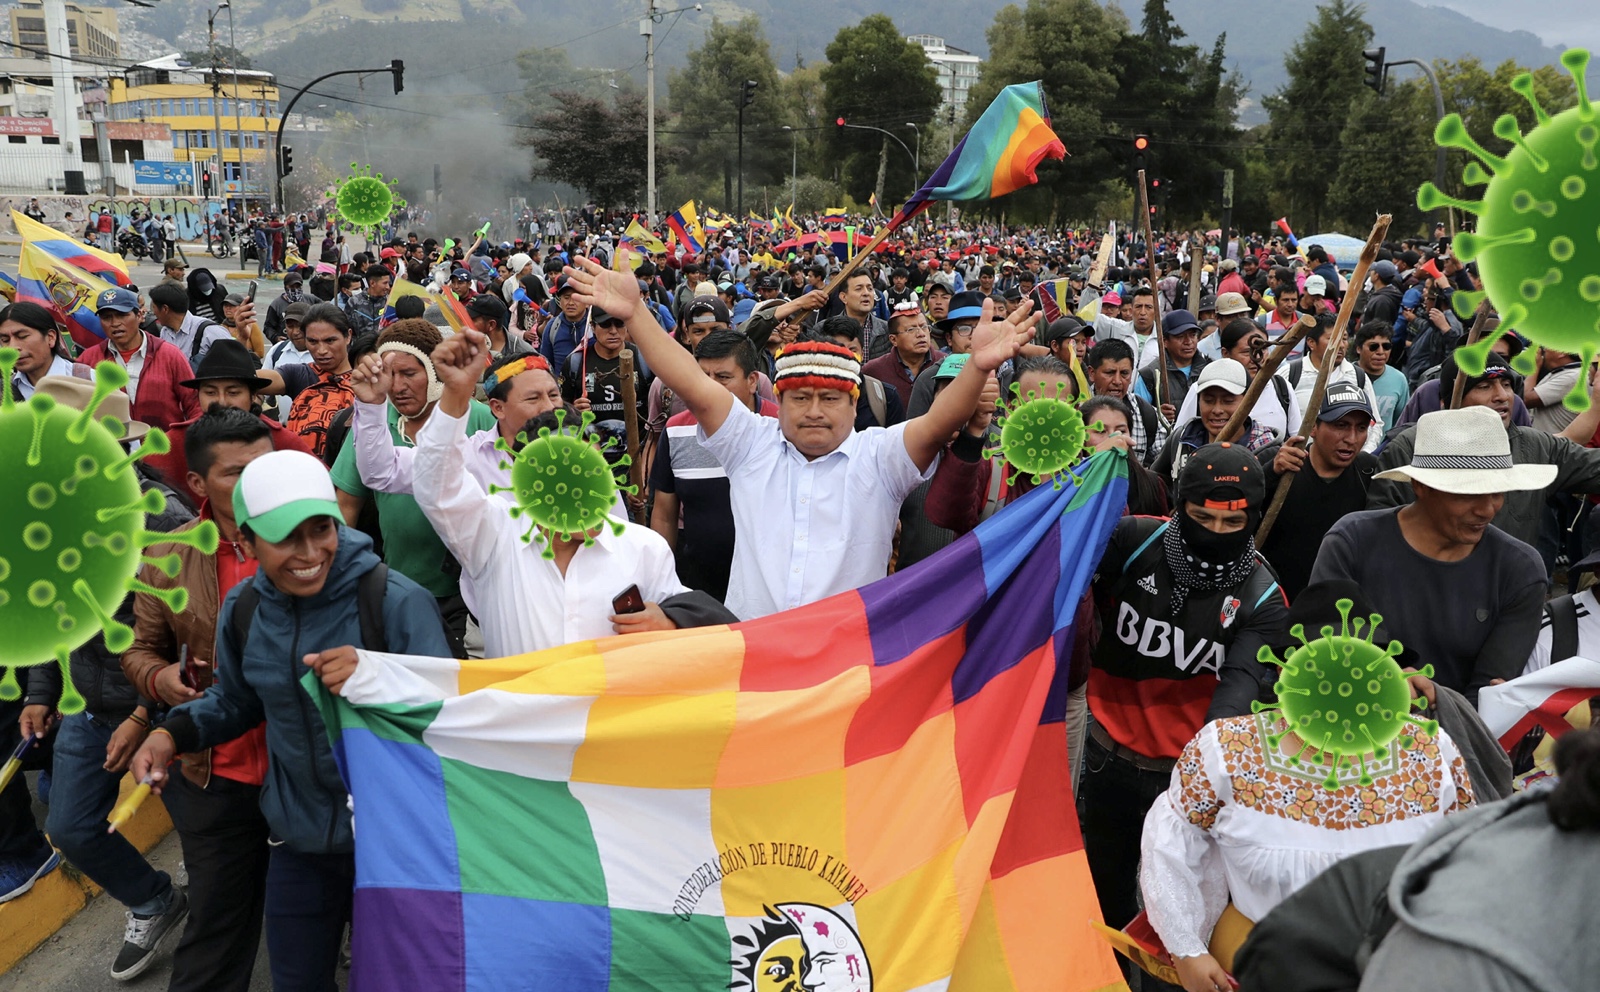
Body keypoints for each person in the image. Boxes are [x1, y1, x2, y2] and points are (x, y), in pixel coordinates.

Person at [129, 450, 452, 992]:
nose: (309, 553)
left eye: (320, 529)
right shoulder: (245, 608)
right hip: (298, 842)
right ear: (248, 542)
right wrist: (170, 733)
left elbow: (449, 721)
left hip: (394, 846)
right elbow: (238, 701)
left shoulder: (394, 601)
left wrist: (379, 677)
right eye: (286, 537)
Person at [564, 255, 1039, 620]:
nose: (814, 412)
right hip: (752, 657)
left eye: (830, 399)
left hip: (845, 666)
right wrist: (637, 315)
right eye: (801, 398)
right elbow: (693, 383)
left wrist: (978, 367)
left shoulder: (880, 456)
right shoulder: (751, 441)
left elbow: (937, 424)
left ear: (856, 405)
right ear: (776, 399)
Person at [1140, 582, 1475, 992]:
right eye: (1325, 670)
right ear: (1283, 671)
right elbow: (1171, 842)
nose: (1341, 688)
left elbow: (1464, 861)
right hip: (1257, 970)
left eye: (1358, 671)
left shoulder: (1430, 750)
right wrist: (1187, 950)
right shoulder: (1226, 750)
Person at [20, 375, 194, 981]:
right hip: (88, 705)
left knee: (206, 830)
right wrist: (43, 691)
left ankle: (221, 907)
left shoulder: (165, 521)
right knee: (69, 826)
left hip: (168, 709)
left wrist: (149, 717)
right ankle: (154, 899)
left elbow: (189, 640)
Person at [409, 328, 723, 658]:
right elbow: (435, 484)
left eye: (591, 472)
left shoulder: (644, 550)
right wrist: (455, 396)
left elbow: (704, 636)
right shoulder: (493, 538)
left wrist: (671, 622)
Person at [1081, 442, 1288, 941]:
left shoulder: (1263, 596)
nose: (1215, 533)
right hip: (1106, 755)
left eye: (1232, 524)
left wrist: (1200, 784)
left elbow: (1237, 694)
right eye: (1202, 518)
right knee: (1099, 899)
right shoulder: (1134, 541)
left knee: (1174, 918)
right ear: (1179, 507)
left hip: (1183, 778)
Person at [123, 408, 275, 992]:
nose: (257, 483)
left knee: (314, 926)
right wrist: (160, 683)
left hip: (307, 773)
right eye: (237, 473)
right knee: (216, 928)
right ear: (196, 485)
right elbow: (139, 651)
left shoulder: (318, 543)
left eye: (265, 467)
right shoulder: (169, 558)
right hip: (214, 774)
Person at [1313, 407, 1549, 699]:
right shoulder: (1351, 543)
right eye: (1468, 494)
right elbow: (1325, 650)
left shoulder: (1520, 571)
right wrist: (1380, 676)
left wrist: (1439, 708)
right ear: (1420, 486)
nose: (1487, 510)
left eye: (1498, 492)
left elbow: (1488, 694)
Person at [334, 319, 495, 658]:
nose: (397, 386)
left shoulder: (479, 418)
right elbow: (346, 503)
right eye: (388, 375)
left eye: (409, 373)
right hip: (401, 587)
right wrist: (341, 577)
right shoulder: (372, 422)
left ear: (435, 373)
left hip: (473, 595)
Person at [1371, 351, 1600, 546]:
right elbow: (1380, 533)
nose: (1502, 396)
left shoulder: (1536, 446)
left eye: (1507, 384)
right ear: (1451, 400)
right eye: (1484, 386)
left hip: (1509, 594)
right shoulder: (1411, 448)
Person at [649, 330, 779, 599]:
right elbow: (664, 514)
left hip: (770, 590)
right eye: (701, 377)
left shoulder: (781, 428)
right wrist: (659, 578)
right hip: (699, 588)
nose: (709, 387)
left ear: (752, 380)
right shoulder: (675, 431)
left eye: (723, 377)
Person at [143, 339, 312, 502]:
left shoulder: (283, 441)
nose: (222, 402)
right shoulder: (173, 443)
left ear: (253, 395)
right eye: (210, 393)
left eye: (233, 393)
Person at [1254, 383, 1379, 600]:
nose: (1351, 438)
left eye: (1361, 428)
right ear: (1313, 426)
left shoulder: (1370, 472)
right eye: (1341, 425)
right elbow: (1240, 516)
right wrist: (1270, 474)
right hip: (1277, 605)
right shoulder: (1280, 465)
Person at [78, 287, 201, 431]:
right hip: (111, 450)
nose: (115, 323)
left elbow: (194, 405)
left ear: (139, 316)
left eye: (122, 315)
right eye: (106, 317)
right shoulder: (88, 360)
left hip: (164, 448)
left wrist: (186, 443)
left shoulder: (169, 355)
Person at [1151, 359, 1275, 491]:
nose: (1217, 410)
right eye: (1208, 400)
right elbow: (1155, 486)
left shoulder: (1265, 450)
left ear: (1249, 402)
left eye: (1228, 401)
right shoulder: (1183, 439)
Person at [1171, 319, 1300, 440]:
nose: (1257, 357)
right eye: (1246, 352)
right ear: (1225, 353)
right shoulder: (1202, 388)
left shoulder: (1281, 388)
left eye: (1263, 349)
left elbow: (1296, 437)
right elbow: (1179, 438)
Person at [1287, 313, 1385, 451]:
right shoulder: (1290, 375)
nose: (1341, 345)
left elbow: (1375, 424)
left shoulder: (1357, 376)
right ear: (1311, 343)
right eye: (1333, 339)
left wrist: (1364, 454)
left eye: (1344, 339)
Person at [284, 303, 356, 458]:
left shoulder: (366, 384)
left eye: (330, 341)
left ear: (348, 336)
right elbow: (252, 381)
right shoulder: (300, 375)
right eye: (313, 342)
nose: (321, 351)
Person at [1088, 338, 1166, 465]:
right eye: (1109, 373)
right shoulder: (1076, 413)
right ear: (1092, 373)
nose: (1118, 381)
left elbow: (1165, 464)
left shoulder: (1148, 415)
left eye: (1124, 373)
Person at [860, 300, 944, 408]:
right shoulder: (873, 370)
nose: (921, 334)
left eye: (924, 327)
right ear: (893, 340)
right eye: (911, 329)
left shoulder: (945, 364)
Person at [0, 300, 91, 399]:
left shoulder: (91, 381)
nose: (12, 347)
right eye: (5, 340)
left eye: (22, 336)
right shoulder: (5, 392)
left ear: (50, 337)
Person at [1135, 308, 1210, 422]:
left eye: (1193, 335)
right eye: (1180, 337)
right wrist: (1156, 415)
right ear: (1165, 341)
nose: (1188, 341)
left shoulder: (1210, 369)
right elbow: (1138, 417)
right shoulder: (1150, 375)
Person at [146, 282, 234, 372]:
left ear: (165, 309)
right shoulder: (165, 332)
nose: (153, 313)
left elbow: (234, 362)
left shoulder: (210, 332)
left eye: (154, 308)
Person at [1352, 320, 1409, 429]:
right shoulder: (1344, 376)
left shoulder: (1399, 379)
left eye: (1386, 346)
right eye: (1373, 347)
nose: (1380, 352)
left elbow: (1401, 422)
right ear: (1359, 348)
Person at [1525, 344, 1585, 435]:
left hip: (1555, 446)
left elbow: (1525, 399)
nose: (1544, 349)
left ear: (1562, 352)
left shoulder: (1573, 376)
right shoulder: (1563, 372)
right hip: (1547, 443)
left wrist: (1535, 366)